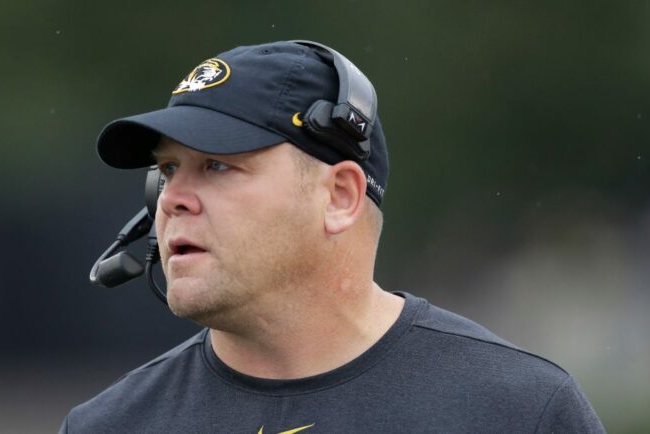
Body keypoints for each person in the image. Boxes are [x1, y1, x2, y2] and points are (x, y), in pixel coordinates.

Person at [60, 40, 604, 433]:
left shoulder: (518, 411)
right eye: (169, 170)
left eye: (218, 167)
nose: (172, 199)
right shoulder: (109, 425)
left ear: (340, 195)